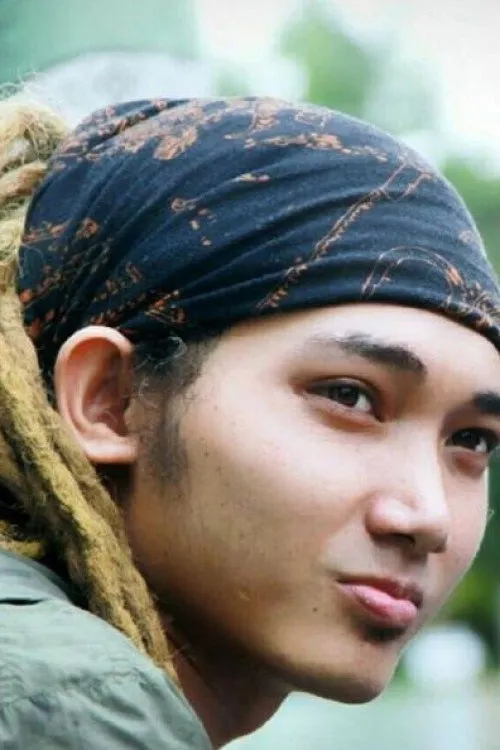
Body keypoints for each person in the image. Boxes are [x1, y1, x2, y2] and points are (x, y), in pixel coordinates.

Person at [0, 94, 500, 750]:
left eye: (471, 440)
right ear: (111, 401)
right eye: (349, 397)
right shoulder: (69, 702)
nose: (429, 517)